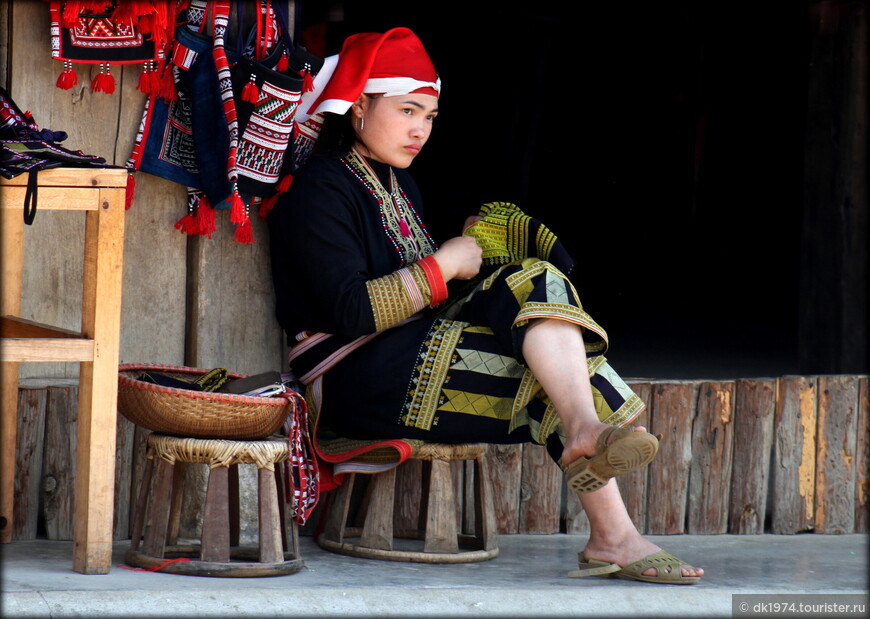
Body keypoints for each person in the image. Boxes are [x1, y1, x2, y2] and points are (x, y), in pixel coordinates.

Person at [268, 27, 704, 585]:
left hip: (409, 349)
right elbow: (352, 311)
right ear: (358, 106)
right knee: (547, 375)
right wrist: (444, 264)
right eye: (407, 110)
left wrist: (471, 254)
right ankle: (613, 532)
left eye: (429, 116)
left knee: (536, 280)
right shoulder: (319, 190)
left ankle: (586, 433)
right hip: (354, 375)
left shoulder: (401, 186)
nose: (420, 130)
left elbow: (423, 292)